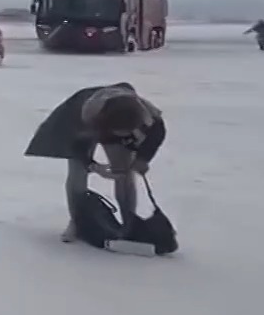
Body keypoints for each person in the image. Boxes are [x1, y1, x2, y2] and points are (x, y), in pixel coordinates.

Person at [24, 82, 177, 254]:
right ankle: (78, 221)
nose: (125, 136)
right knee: (78, 173)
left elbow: (157, 133)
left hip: (116, 113)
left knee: (124, 172)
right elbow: (77, 149)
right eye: (121, 132)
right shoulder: (86, 117)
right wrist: (95, 167)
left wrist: (143, 159)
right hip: (82, 117)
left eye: (128, 132)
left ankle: (129, 224)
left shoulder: (147, 115)